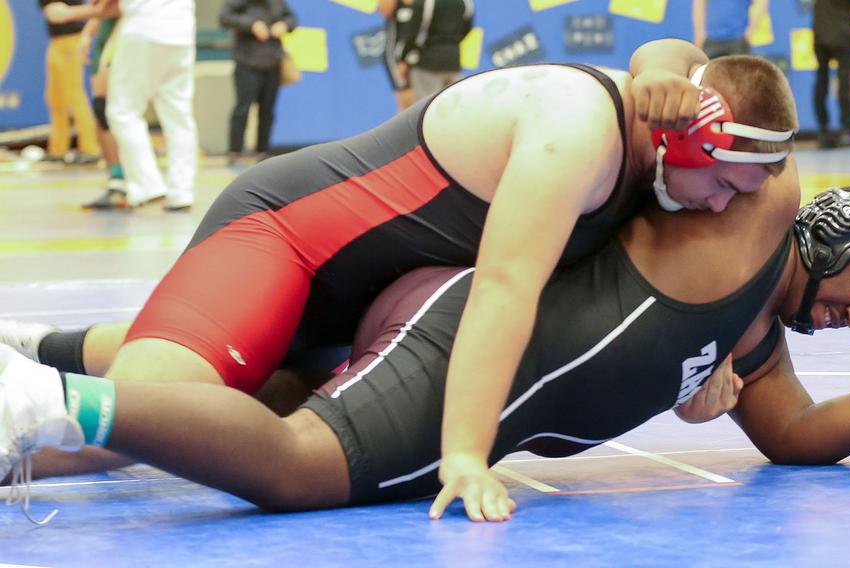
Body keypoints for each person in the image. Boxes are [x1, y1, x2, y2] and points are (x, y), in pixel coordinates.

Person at [2, 43, 797, 490]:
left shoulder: (668, 129)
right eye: (723, 184)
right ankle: (27, 396)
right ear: (689, 139)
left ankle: (37, 347)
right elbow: (504, 290)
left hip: (344, 304)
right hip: (282, 243)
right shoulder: (576, 132)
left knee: (249, 403)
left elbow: (685, 60)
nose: (721, 208)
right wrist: (462, 451)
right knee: (132, 426)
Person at [3, 182, 850, 525]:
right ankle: (45, 408)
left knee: (257, 388)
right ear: (834, 233)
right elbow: (716, 91)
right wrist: (666, 68)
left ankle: (34, 360)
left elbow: (797, 437)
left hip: (444, 310)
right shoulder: (754, 219)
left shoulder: (758, 337)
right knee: (292, 467)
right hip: (472, 347)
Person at [88, 0, 199, 210]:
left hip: (143, 29)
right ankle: (182, 193)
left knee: (122, 110)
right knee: (179, 115)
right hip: (182, 31)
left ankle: (148, 185)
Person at [220, 0, 297, 167]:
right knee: (242, 109)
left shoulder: (276, 2)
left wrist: (284, 24)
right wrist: (251, 25)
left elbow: (292, 18)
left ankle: (263, 152)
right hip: (247, 63)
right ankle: (234, 152)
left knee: (267, 111)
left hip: (272, 63)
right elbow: (224, 17)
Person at [36, 1, 102, 165]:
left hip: (71, 40)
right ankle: (58, 150)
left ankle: (90, 148)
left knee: (74, 95)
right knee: (54, 97)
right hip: (57, 41)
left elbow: (57, 14)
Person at [79, 15, 130, 208]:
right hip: (106, 40)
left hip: (121, 40)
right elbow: (101, 9)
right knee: (102, 112)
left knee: (110, 110)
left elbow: (111, 7)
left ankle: (123, 180)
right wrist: (87, 33)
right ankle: (116, 178)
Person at [388, 0, 474, 101]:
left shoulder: (425, 2)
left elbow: (412, 33)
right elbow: (467, 29)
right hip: (453, 62)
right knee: (452, 108)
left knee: (426, 108)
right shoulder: (466, 2)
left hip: (426, 64)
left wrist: (403, 58)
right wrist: (449, 45)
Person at [813, 0, 850, 149]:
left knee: (822, 80)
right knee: (844, 81)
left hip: (821, 31)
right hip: (843, 32)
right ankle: (847, 128)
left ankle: (823, 129)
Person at [692, 0, 768, 58]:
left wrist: (750, 31)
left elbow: (761, 3)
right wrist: (699, 33)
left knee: (738, 77)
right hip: (711, 39)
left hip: (738, 39)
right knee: (709, 76)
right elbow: (699, 3)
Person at [379, 0, 416, 113]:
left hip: (420, 54)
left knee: (424, 101)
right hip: (397, 57)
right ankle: (402, 131)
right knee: (408, 103)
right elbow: (384, 10)